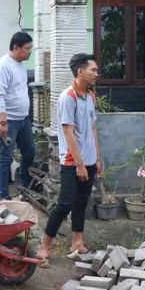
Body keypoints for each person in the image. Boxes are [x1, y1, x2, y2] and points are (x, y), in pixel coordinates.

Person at [36, 53, 102, 264]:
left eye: (96, 70)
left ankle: (77, 242)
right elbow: (67, 133)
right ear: (80, 71)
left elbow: (92, 128)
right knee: (65, 204)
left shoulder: (90, 96)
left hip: (89, 160)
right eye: (93, 70)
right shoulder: (68, 97)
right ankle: (44, 245)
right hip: (72, 162)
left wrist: (97, 159)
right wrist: (80, 164)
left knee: (82, 202)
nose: (96, 74)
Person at [0, 32, 35, 200]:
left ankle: (23, 185)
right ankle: (3, 196)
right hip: (7, 120)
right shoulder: (3, 66)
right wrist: (2, 121)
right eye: (27, 49)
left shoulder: (20, 64)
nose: (30, 52)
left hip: (22, 119)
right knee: (6, 157)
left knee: (29, 151)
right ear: (16, 47)